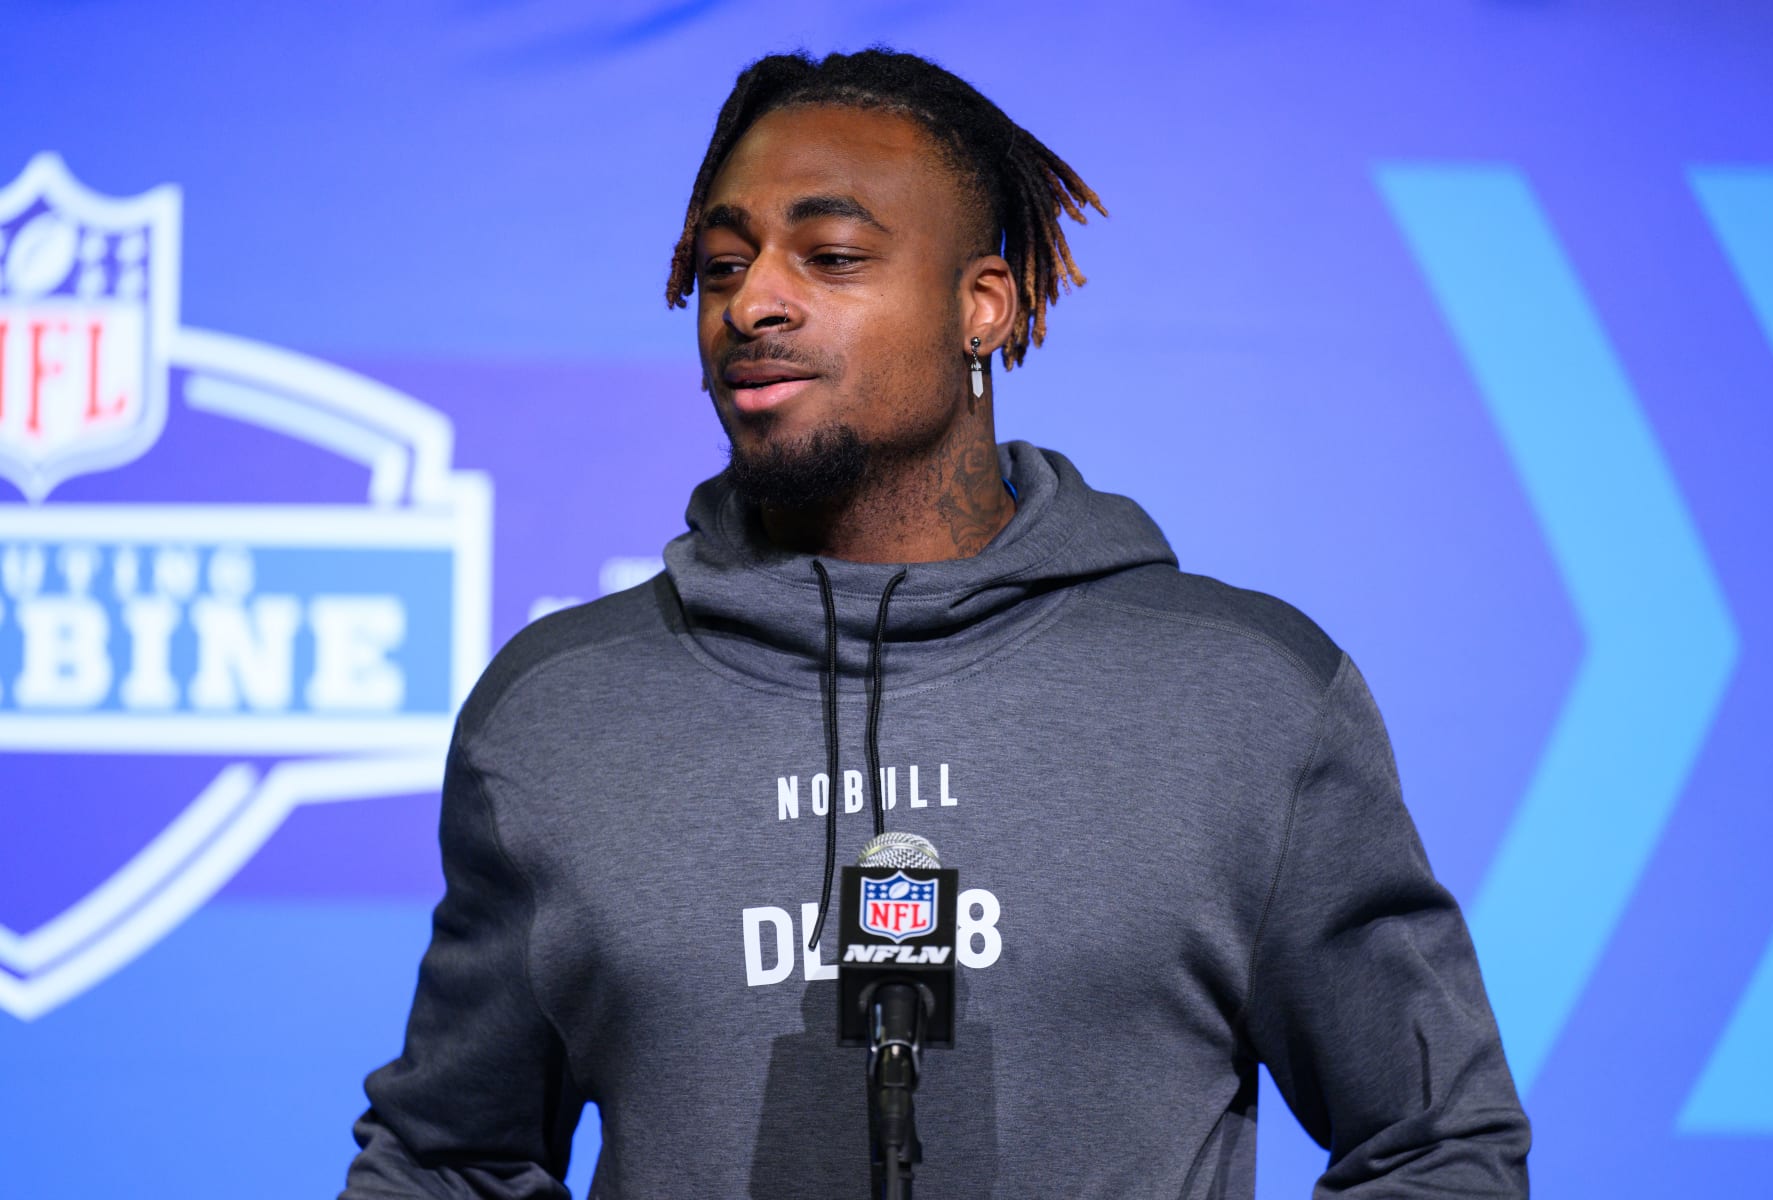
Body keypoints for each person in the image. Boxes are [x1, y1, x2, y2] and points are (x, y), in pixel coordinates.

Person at [342, 47, 1530, 1199]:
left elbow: (1436, 1145)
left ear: (984, 306)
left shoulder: (1245, 696)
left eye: (833, 254)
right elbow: (447, 1163)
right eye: (720, 266)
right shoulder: (560, 711)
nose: (754, 300)